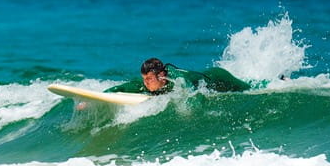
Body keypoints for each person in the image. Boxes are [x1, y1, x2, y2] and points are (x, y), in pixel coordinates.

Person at [106, 57, 250, 95]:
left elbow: (188, 87)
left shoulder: (176, 78)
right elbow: (122, 88)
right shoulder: (146, 83)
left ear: (161, 75)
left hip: (219, 78)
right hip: (212, 79)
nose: (146, 83)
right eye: (144, 79)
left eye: (149, 79)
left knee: (250, 89)